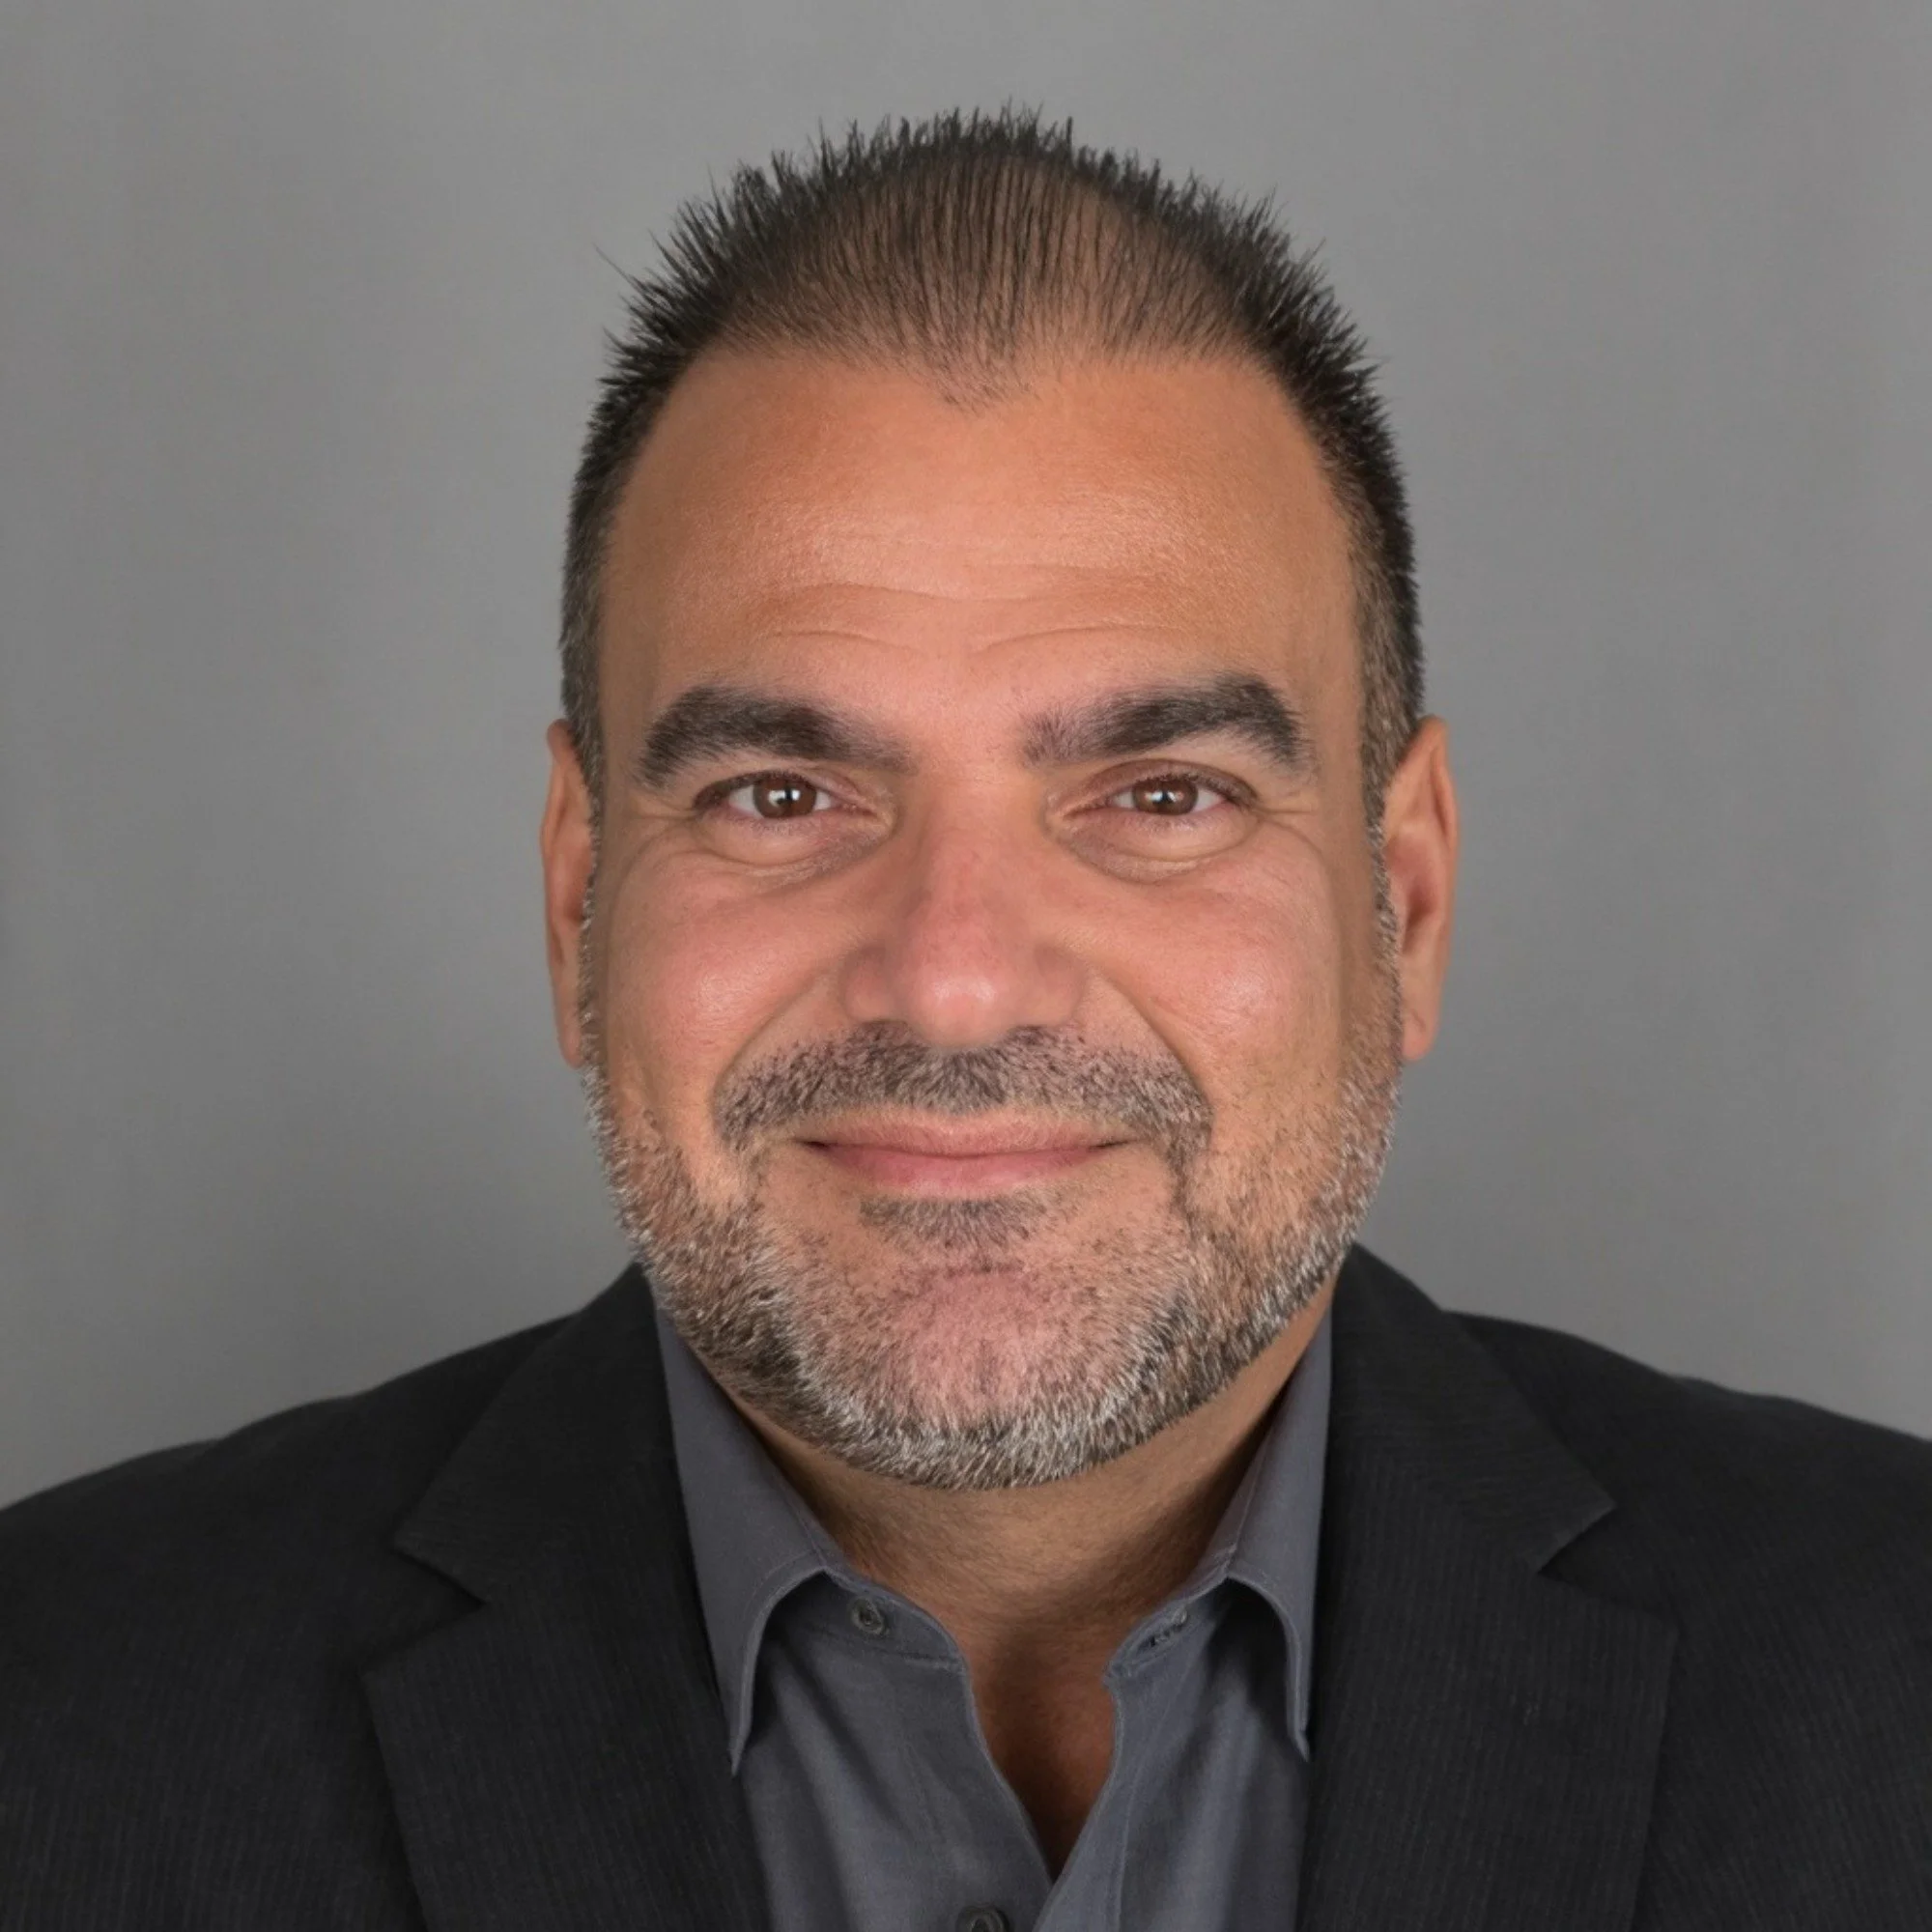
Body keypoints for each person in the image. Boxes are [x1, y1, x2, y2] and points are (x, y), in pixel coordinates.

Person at [2, 108, 1926, 1932]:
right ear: (580, 896)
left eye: (1160, 795)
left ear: (1399, 900)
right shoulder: (63, 1728)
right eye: (781, 795)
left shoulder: (1888, 1679)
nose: (955, 975)